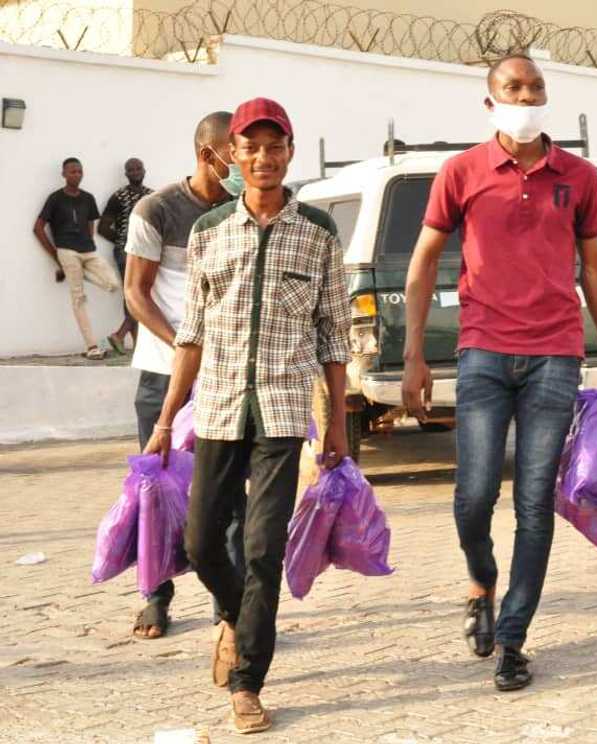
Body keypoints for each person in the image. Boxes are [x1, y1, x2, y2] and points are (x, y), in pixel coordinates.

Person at [402, 54, 597, 691]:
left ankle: (512, 637)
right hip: (483, 354)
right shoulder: (461, 172)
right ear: (490, 100)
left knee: (534, 503)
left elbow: (596, 271)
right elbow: (422, 265)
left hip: (556, 355)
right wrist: (416, 354)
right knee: (473, 496)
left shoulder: (579, 178)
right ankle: (482, 579)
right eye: (513, 89)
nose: (525, 98)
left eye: (534, 88)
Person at [144, 98, 351, 734]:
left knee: (262, 548)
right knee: (201, 540)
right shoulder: (209, 231)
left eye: (275, 146)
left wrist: (338, 425)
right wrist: (164, 418)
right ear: (232, 155)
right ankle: (237, 616)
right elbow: (193, 335)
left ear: (290, 153)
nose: (263, 159)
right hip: (220, 409)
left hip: (284, 413)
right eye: (251, 148)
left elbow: (334, 338)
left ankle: (247, 681)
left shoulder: (317, 232)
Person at [123, 113, 244, 641]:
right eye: (235, 154)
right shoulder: (158, 210)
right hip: (162, 371)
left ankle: (230, 602)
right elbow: (135, 292)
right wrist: (182, 349)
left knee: (229, 495)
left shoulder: (243, 210)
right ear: (208, 154)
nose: (245, 164)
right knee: (159, 488)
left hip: (226, 376)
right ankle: (156, 596)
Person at [33, 157, 120, 360]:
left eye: (79, 171)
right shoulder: (55, 198)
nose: (76, 175)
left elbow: (90, 224)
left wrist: (88, 242)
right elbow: (38, 228)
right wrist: (57, 257)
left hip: (88, 250)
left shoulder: (88, 198)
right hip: (66, 251)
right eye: (72, 171)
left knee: (114, 284)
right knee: (78, 298)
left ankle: (80, 273)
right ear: (64, 174)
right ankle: (92, 347)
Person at [99, 158, 152, 354]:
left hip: (147, 252)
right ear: (126, 173)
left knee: (141, 294)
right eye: (131, 169)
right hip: (126, 251)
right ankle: (122, 337)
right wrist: (125, 241)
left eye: (139, 168)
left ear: (144, 171)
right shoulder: (118, 197)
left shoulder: (152, 197)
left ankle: (124, 338)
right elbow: (103, 227)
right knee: (135, 293)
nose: (136, 172)